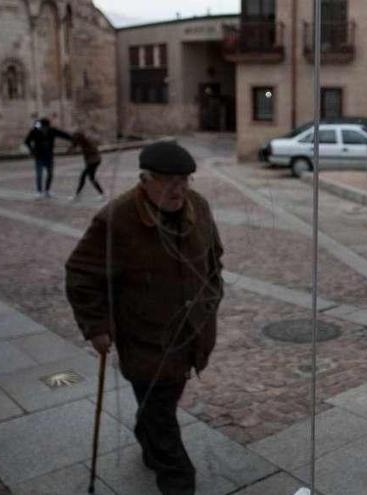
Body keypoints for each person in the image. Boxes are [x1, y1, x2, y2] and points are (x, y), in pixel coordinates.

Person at [65, 141, 224, 495]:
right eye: (168, 181)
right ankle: (178, 480)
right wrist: (96, 327)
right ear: (145, 180)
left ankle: (147, 435)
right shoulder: (116, 218)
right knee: (162, 415)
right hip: (145, 339)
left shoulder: (198, 206)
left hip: (190, 336)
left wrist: (212, 295)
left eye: (184, 181)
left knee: (159, 405)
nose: (178, 190)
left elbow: (214, 258)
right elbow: (81, 273)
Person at [24, 117, 72, 198]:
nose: (45, 129)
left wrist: (73, 138)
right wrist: (32, 150)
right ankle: (39, 191)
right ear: (41, 126)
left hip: (49, 156)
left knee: (50, 174)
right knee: (39, 174)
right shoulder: (34, 131)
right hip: (39, 156)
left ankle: (47, 191)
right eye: (44, 127)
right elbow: (27, 141)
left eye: (47, 127)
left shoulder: (52, 130)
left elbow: (63, 135)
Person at [68, 131, 105, 201]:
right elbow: (72, 147)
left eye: (76, 139)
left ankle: (77, 195)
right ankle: (101, 194)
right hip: (92, 161)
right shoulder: (83, 143)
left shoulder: (87, 143)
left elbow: (94, 151)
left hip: (94, 161)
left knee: (84, 177)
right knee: (90, 178)